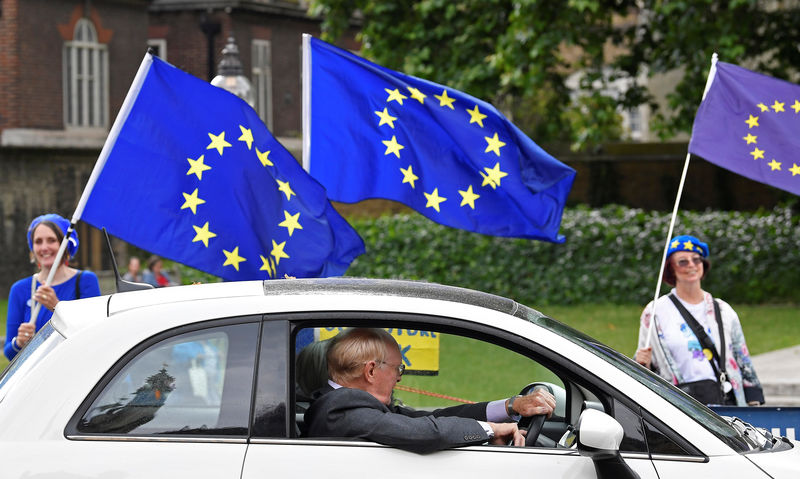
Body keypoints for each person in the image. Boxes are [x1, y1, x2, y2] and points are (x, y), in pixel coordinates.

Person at [303, 328, 555, 453]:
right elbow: (422, 431)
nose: (399, 378)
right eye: (397, 369)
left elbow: (426, 419)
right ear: (370, 371)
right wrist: (491, 430)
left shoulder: (347, 404)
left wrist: (509, 407)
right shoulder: (341, 411)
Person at [635, 235, 764, 406]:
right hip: (680, 405)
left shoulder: (723, 310)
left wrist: (754, 403)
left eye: (696, 260)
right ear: (671, 269)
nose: (691, 265)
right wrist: (640, 362)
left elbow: (743, 358)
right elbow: (644, 365)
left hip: (727, 402)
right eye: (683, 261)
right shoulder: (654, 313)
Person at [5, 213, 102, 360]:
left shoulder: (85, 281)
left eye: (51, 240)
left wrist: (57, 307)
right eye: (38, 241)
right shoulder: (19, 289)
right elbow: (9, 353)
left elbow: (95, 337)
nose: (44, 247)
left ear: (65, 245)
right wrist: (19, 342)